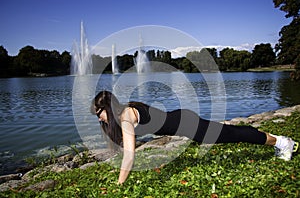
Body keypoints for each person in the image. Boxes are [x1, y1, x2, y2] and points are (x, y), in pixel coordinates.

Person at [90, 90, 298, 184]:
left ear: (107, 107)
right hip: (184, 121)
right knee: (230, 133)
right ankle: (279, 141)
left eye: (99, 114)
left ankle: (283, 142)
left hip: (188, 124)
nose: (99, 119)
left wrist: (119, 184)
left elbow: (129, 156)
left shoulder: (125, 117)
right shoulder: (123, 112)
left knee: (232, 134)